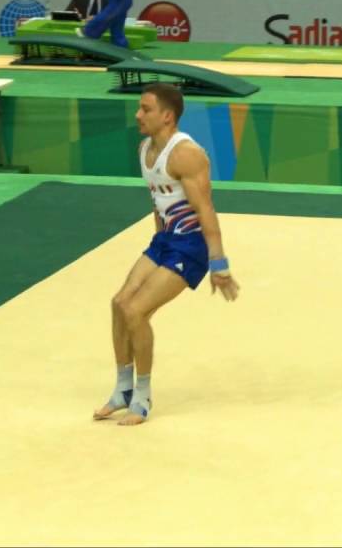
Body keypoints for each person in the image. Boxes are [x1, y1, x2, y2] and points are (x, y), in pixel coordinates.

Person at [93, 83, 240, 426]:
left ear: (167, 116)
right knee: (119, 303)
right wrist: (158, 242)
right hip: (166, 240)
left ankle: (142, 399)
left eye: (145, 109)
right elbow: (158, 202)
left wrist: (219, 265)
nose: (137, 115)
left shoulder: (185, 154)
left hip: (192, 246)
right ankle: (122, 389)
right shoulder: (146, 148)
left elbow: (206, 210)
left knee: (135, 310)